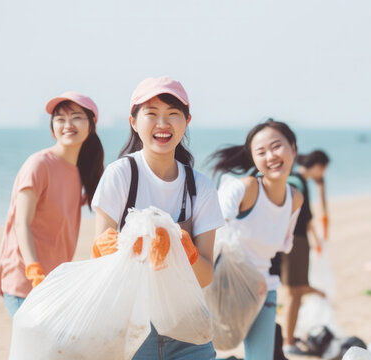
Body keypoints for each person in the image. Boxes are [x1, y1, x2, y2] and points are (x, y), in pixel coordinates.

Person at [91, 77, 224, 359]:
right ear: (133, 121)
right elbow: (101, 261)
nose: (162, 123)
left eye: (173, 114)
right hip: (131, 329)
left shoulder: (200, 187)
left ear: (186, 122)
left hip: (189, 329)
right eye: (151, 114)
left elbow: (205, 275)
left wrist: (184, 250)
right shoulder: (120, 175)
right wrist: (129, 249)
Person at [0, 92, 104, 317]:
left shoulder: (79, 171)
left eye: (76, 117)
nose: (67, 124)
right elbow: (21, 224)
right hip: (25, 281)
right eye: (60, 119)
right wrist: (34, 270)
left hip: (53, 284)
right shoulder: (38, 165)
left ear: (91, 125)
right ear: (52, 126)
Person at [210, 119, 303, 360]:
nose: (271, 156)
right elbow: (210, 221)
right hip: (223, 285)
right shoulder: (247, 188)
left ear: (293, 148)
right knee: (199, 350)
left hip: (264, 289)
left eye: (276, 146)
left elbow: (285, 243)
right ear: (254, 160)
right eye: (261, 152)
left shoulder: (295, 199)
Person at [279, 150, 329, 355]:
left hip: (291, 239)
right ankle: (288, 342)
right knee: (295, 291)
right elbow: (306, 217)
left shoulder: (294, 179)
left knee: (294, 290)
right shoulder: (298, 181)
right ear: (318, 165)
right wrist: (316, 240)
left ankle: (288, 338)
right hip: (295, 240)